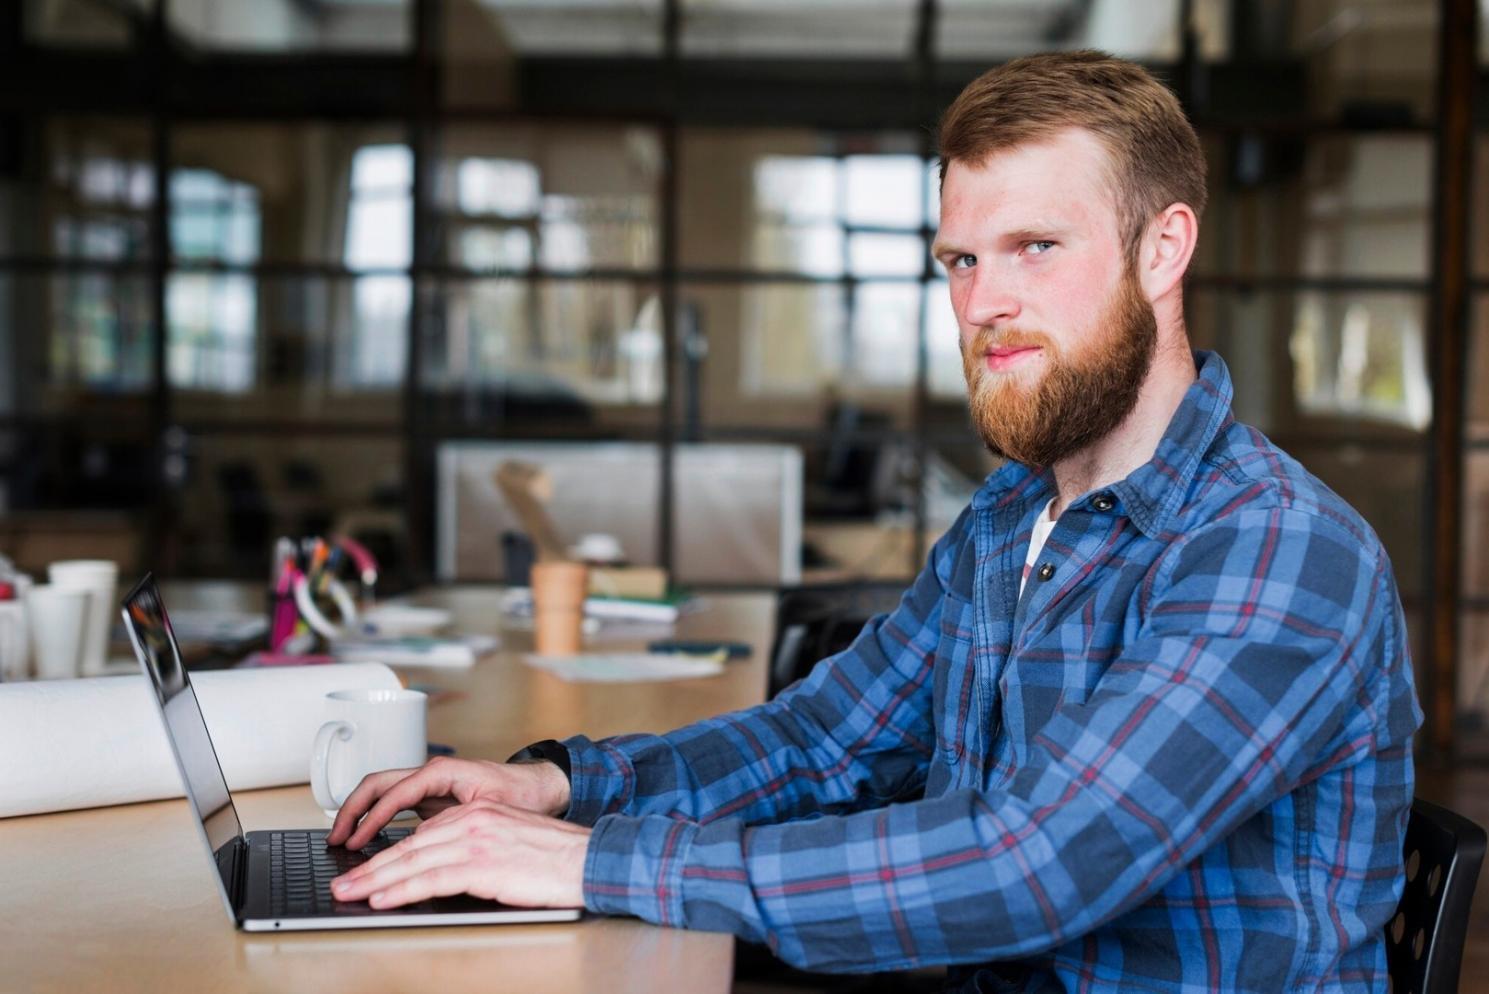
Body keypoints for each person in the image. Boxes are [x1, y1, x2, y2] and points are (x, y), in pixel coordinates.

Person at [328, 51, 1422, 992]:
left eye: (1036, 246)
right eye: (961, 259)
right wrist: (558, 788)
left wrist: (583, 863)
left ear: (1162, 249)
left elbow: (1031, 867)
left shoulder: (1279, 549)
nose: (981, 302)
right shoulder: (1010, 518)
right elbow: (826, 739)